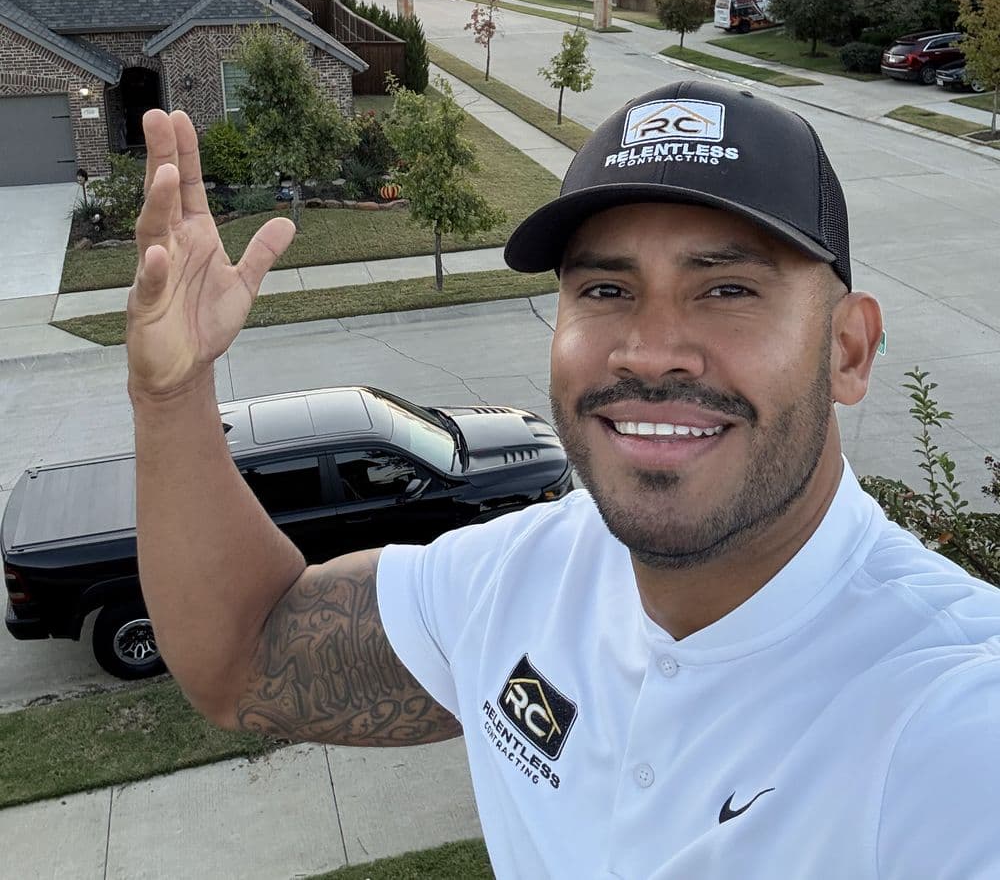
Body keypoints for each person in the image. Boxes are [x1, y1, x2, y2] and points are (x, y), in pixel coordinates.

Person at [127, 81, 1000, 879]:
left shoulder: (949, 716)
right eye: (606, 289)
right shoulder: (513, 581)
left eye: (728, 288)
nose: (650, 350)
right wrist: (171, 396)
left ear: (848, 350)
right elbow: (243, 658)